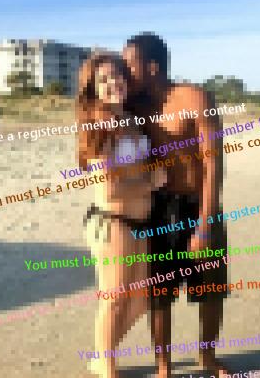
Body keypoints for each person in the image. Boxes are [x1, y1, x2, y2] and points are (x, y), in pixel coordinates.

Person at [123, 33, 229, 378]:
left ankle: (207, 357)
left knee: (210, 290)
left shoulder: (195, 98)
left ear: (152, 66)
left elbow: (213, 163)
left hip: (200, 204)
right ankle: (164, 365)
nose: (125, 70)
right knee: (159, 294)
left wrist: (206, 223)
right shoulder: (133, 105)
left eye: (130, 63)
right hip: (158, 208)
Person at [76, 51, 166, 378]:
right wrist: (151, 184)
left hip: (139, 224)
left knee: (139, 300)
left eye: (117, 75)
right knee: (113, 300)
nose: (113, 83)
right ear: (93, 89)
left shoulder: (130, 119)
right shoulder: (99, 125)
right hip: (112, 224)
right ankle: (108, 368)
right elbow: (109, 191)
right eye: (104, 79)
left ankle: (102, 355)